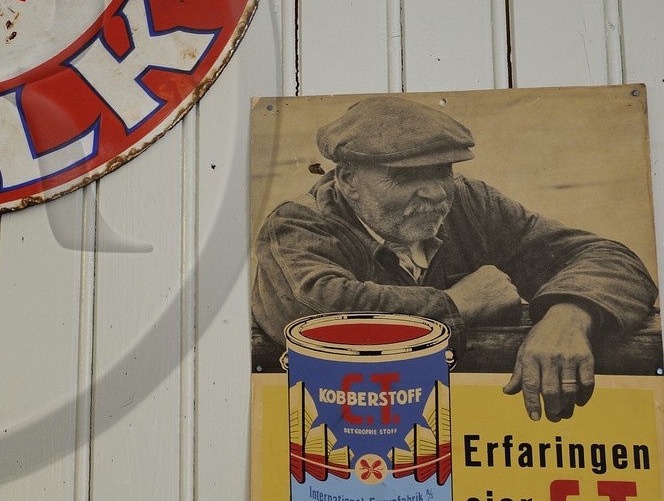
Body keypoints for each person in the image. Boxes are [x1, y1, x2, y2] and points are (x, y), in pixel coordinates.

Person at [252, 95, 658, 423]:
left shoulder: (470, 202)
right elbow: (310, 313)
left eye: (441, 171)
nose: (435, 194)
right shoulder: (299, 225)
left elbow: (603, 255)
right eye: (406, 177)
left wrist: (569, 317)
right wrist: (458, 305)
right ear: (349, 181)